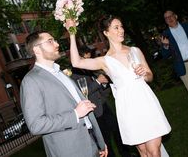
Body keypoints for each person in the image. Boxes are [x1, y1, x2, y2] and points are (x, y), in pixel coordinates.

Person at [67, 16, 171, 157]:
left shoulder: (135, 51)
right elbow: (76, 62)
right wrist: (72, 32)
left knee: (154, 151)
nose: (121, 30)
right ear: (106, 33)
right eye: (116, 27)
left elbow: (150, 77)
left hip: (146, 102)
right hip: (128, 108)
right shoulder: (105, 61)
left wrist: (145, 74)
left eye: (121, 26)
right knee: (144, 152)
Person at [20, 31, 108, 157]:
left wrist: (99, 142)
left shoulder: (61, 73)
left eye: (55, 40)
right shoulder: (31, 81)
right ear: (37, 50)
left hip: (91, 144)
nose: (57, 44)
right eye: (50, 41)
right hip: (69, 151)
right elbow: (36, 125)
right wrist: (75, 114)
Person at [72, 46, 132, 157]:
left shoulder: (90, 68)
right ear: (80, 56)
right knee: (105, 140)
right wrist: (98, 82)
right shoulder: (74, 75)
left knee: (118, 133)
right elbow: (82, 94)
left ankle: (126, 154)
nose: (90, 57)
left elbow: (102, 87)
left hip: (105, 106)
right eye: (87, 54)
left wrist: (103, 83)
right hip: (94, 112)